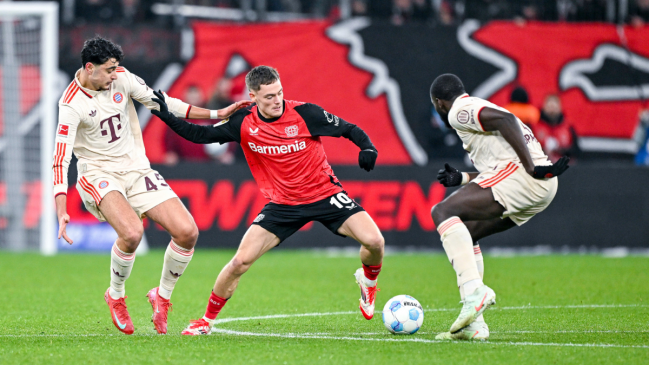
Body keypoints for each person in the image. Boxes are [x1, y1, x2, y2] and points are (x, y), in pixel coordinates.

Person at [151, 65, 385, 335]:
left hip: (325, 195)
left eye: (280, 93)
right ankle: (206, 321)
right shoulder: (242, 122)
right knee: (239, 262)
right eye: (269, 97)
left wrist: (367, 147)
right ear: (253, 96)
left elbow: (349, 129)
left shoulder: (305, 113)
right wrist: (165, 115)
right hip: (283, 205)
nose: (277, 101)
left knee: (375, 241)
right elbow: (200, 135)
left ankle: (368, 282)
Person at [52, 37, 250, 335]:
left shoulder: (121, 77)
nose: (113, 75)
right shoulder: (70, 104)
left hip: (136, 168)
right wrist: (61, 209)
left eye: (116, 69)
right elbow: (60, 158)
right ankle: (116, 295)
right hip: (98, 173)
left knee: (187, 232)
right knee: (132, 233)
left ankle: (163, 296)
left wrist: (216, 115)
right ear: (89, 68)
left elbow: (164, 103)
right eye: (108, 70)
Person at [429, 74, 569, 340]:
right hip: (542, 185)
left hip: (526, 176)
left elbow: (505, 122)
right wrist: (463, 178)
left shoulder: (458, 110)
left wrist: (531, 167)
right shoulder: (475, 110)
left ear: (439, 102)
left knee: (442, 212)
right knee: (467, 233)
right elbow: (496, 161)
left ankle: (474, 292)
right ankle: (475, 325)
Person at [533, 94, 580, 163]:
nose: (552, 110)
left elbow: (576, 150)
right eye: (549, 107)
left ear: (560, 108)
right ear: (544, 107)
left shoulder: (568, 128)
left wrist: (561, 150)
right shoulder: (534, 127)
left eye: (554, 107)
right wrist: (543, 150)